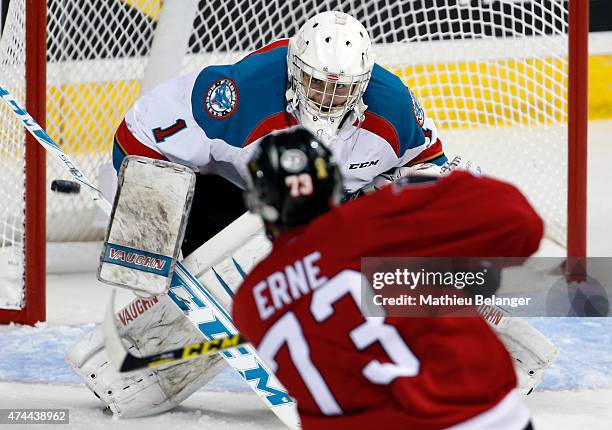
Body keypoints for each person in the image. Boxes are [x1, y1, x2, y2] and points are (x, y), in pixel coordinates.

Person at [232, 127, 543, 429]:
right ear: (335, 183)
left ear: (259, 203)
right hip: (478, 416)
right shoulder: (378, 217)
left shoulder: (248, 303)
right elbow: (521, 224)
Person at [111, 10, 447, 255]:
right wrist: (151, 226)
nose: (326, 98)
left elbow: (434, 167)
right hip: (232, 206)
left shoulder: (393, 106)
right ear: (294, 68)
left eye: (342, 89)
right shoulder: (239, 93)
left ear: (363, 84)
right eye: (315, 82)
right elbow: (139, 132)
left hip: (332, 222)